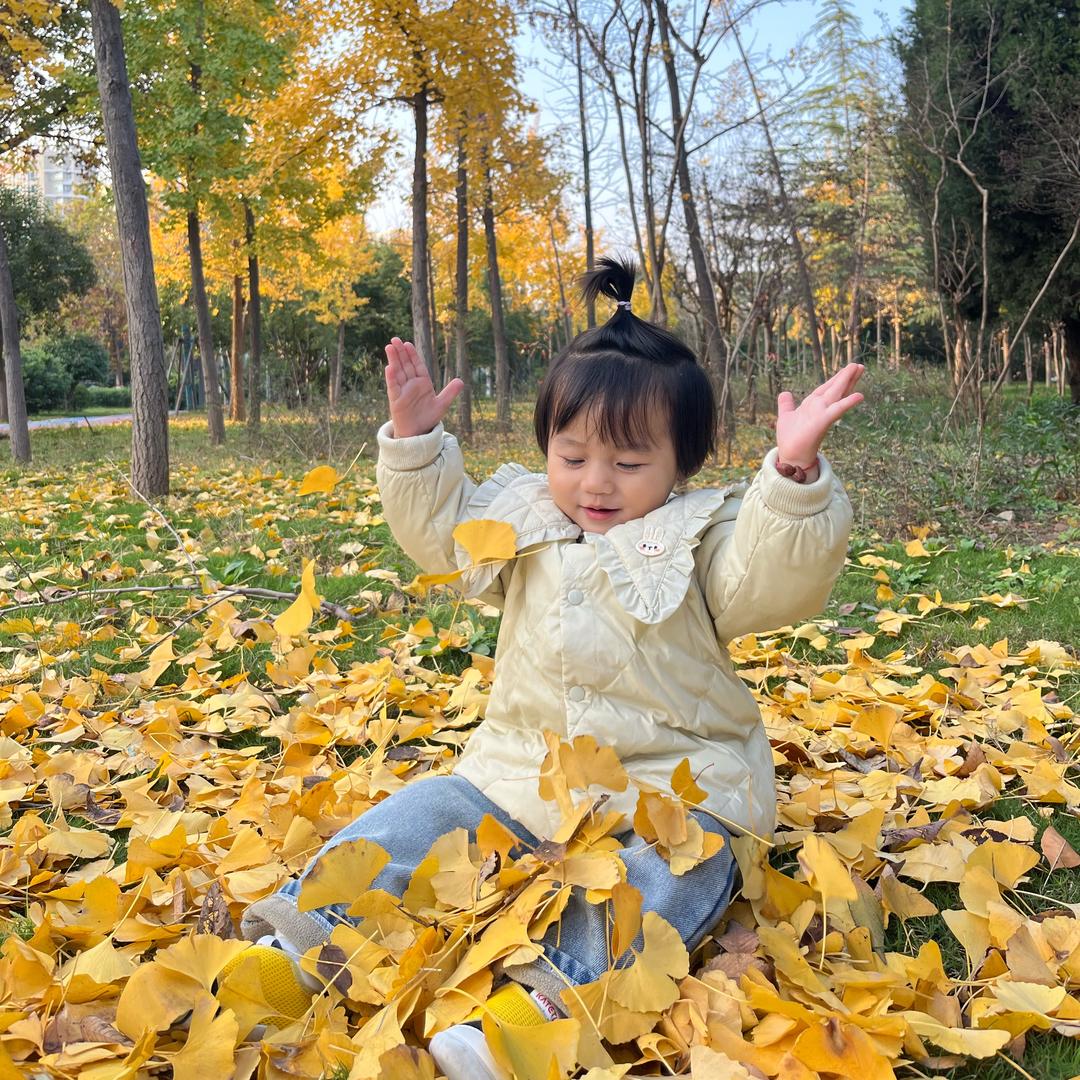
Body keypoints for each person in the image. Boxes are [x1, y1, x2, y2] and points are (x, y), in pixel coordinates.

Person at [230, 257, 862, 1078]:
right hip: (520, 778)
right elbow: (443, 540)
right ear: (547, 450)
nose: (596, 482)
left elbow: (770, 583)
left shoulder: (705, 536)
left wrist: (793, 483)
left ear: (682, 465)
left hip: (674, 785)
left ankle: (538, 1008)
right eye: (572, 456)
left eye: (630, 465)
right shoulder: (524, 516)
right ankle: (303, 940)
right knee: (424, 810)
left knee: (690, 863)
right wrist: (418, 446)